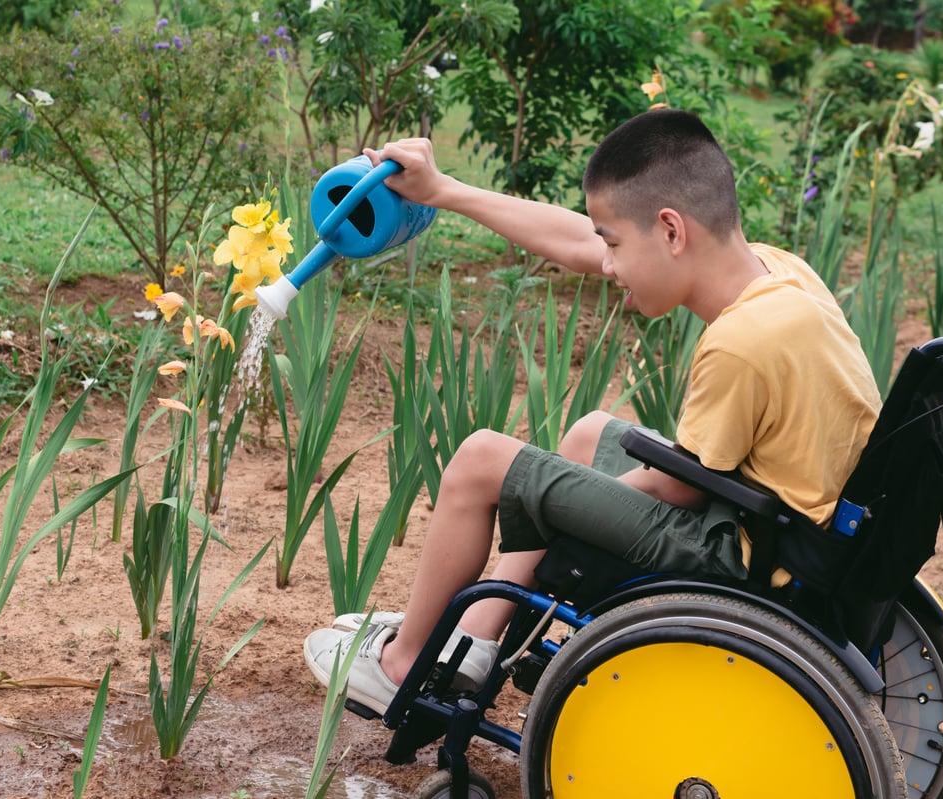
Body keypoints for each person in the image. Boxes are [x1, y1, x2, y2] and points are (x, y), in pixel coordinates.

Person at [303, 109, 881, 715]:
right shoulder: (777, 273)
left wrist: (562, 509)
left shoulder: (743, 341)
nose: (606, 263)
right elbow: (581, 240)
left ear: (672, 232)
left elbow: (677, 488)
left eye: (616, 244)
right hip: (785, 526)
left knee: (481, 460)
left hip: (744, 553)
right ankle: (472, 641)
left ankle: (401, 665)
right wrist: (444, 192)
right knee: (588, 434)